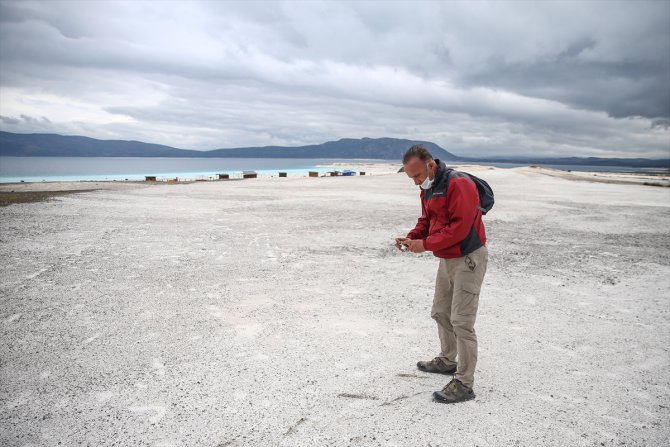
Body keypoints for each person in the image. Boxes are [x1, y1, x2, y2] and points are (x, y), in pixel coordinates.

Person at [395, 144, 488, 404]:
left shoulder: (459, 184)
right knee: (440, 312)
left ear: (431, 165)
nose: (415, 183)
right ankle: (448, 360)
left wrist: (424, 245)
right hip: (447, 258)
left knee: (462, 321)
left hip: (468, 258)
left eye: (417, 176)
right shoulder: (429, 189)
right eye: (411, 178)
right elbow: (427, 221)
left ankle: (465, 383)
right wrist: (412, 237)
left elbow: (460, 228)